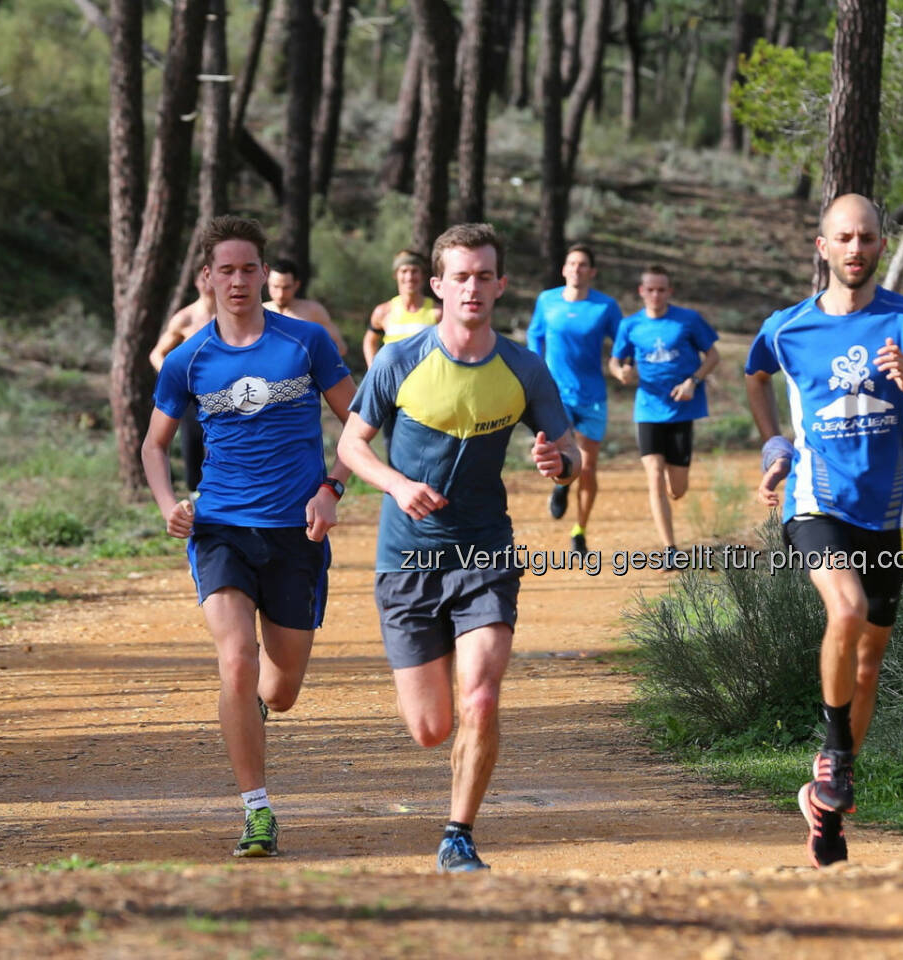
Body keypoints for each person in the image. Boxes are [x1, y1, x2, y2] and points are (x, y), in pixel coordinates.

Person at [337, 222, 579, 873]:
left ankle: (458, 833)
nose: (472, 287)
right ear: (438, 284)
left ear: (500, 284)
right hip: (407, 560)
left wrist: (559, 461)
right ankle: (450, 748)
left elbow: (573, 447)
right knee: (431, 728)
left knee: (481, 697)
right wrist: (395, 484)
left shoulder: (523, 368)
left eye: (484, 276)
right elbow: (350, 445)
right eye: (460, 276)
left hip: (483, 555)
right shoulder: (399, 359)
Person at [744, 194, 903, 869]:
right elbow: (756, 377)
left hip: (891, 513)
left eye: (867, 237)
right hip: (816, 502)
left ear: (881, 244)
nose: (855, 248)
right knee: (843, 609)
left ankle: (828, 801)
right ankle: (834, 756)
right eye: (843, 237)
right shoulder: (787, 329)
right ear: (822, 246)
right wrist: (773, 446)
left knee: (869, 665)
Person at [140, 215, 356, 859]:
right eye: (224, 270)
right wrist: (166, 506)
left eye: (248, 268)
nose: (237, 280)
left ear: (266, 274)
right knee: (235, 658)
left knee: (280, 691)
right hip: (221, 528)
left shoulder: (307, 342)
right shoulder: (188, 358)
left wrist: (333, 487)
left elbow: (360, 422)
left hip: (297, 532)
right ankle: (257, 812)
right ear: (206, 278)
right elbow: (154, 446)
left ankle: (254, 709)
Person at [607, 265, 719, 562]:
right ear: (641, 292)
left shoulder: (688, 320)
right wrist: (622, 373)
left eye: (661, 289)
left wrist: (693, 382)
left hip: (682, 411)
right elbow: (615, 362)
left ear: (670, 291)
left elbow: (713, 355)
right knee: (654, 476)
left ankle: (674, 491)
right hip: (648, 409)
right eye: (650, 289)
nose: (655, 295)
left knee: (677, 489)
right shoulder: (630, 326)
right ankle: (670, 550)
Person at [526, 243, 622, 554]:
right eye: (572, 264)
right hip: (555, 395)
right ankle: (560, 485)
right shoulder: (547, 301)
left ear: (591, 272)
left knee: (590, 467)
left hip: (592, 396)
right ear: (564, 269)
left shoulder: (605, 306)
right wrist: (534, 369)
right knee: (562, 454)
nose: (576, 269)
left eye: (583, 265)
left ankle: (580, 529)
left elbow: (622, 341)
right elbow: (534, 336)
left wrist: (622, 363)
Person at [149, 263, 214, 494]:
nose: (207, 284)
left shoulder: (232, 316)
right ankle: (196, 499)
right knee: (193, 445)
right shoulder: (186, 318)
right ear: (197, 282)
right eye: (203, 279)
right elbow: (157, 353)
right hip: (192, 394)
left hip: (225, 392)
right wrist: (173, 378)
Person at [363, 250, 442, 368]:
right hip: (392, 384)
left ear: (423, 275)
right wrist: (373, 369)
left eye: (414, 271)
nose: (409, 277)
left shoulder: (438, 313)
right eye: (404, 271)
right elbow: (370, 341)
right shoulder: (383, 312)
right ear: (396, 275)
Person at [264, 258, 349, 356]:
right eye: (276, 287)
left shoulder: (313, 311)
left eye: (286, 287)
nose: (281, 294)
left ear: (296, 285)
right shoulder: (258, 311)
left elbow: (340, 347)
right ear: (268, 283)